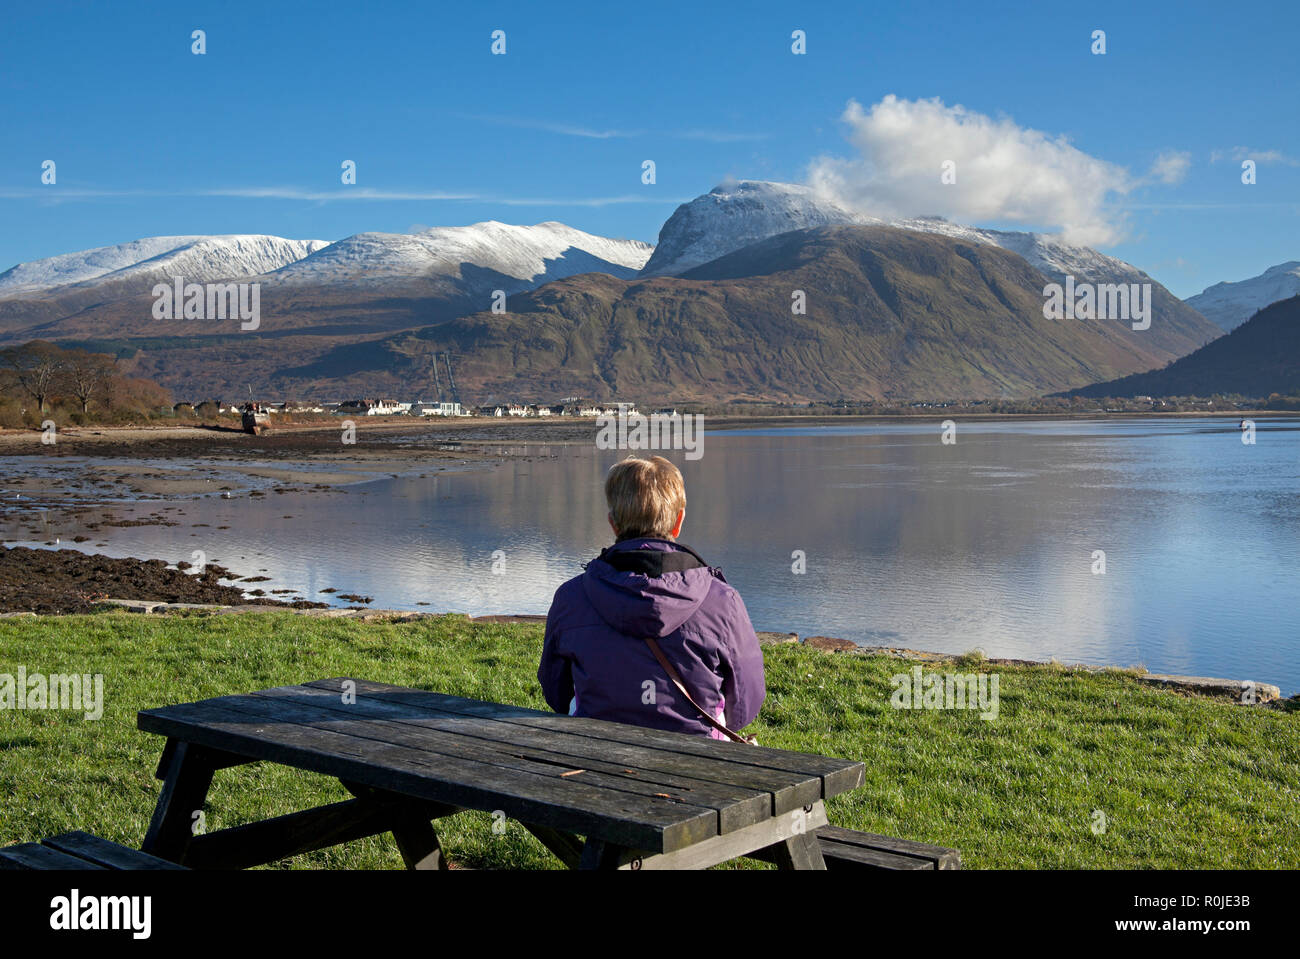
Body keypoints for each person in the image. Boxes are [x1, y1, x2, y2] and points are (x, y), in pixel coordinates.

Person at [538, 454, 766, 740]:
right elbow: (746, 704)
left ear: (613, 524)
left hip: (596, 760)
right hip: (698, 770)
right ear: (678, 521)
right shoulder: (722, 601)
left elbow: (556, 692)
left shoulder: (571, 598)